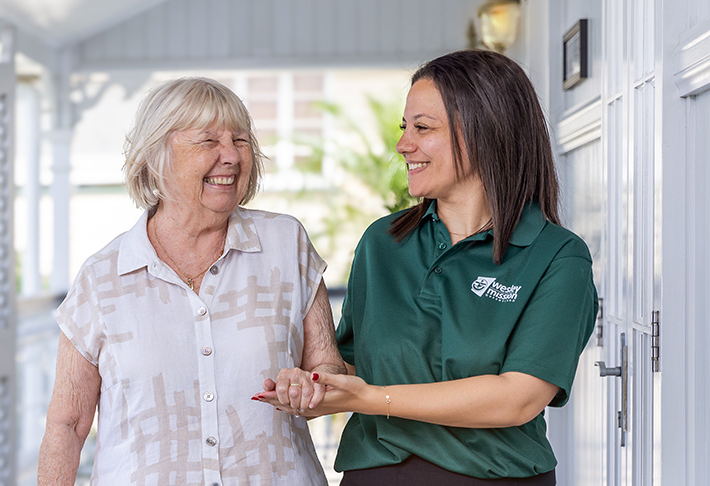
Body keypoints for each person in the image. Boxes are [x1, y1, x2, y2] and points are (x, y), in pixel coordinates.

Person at [256, 50, 599, 485]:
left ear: (485, 132)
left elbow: (517, 399)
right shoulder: (383, 243)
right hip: (376, 475)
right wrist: (313, 384)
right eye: (405, 128)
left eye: (422, 128)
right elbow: (355, 366)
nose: (403, 144)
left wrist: (372, 399)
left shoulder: (556, 257)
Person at [38, 77, 346, 486]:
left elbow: (329, 369)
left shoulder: (286, 244)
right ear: (157, 156)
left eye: (240, 140)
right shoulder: (102, 277)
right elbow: (67, 425)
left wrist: (308, 384)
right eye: (208, 141)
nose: (231, 156)